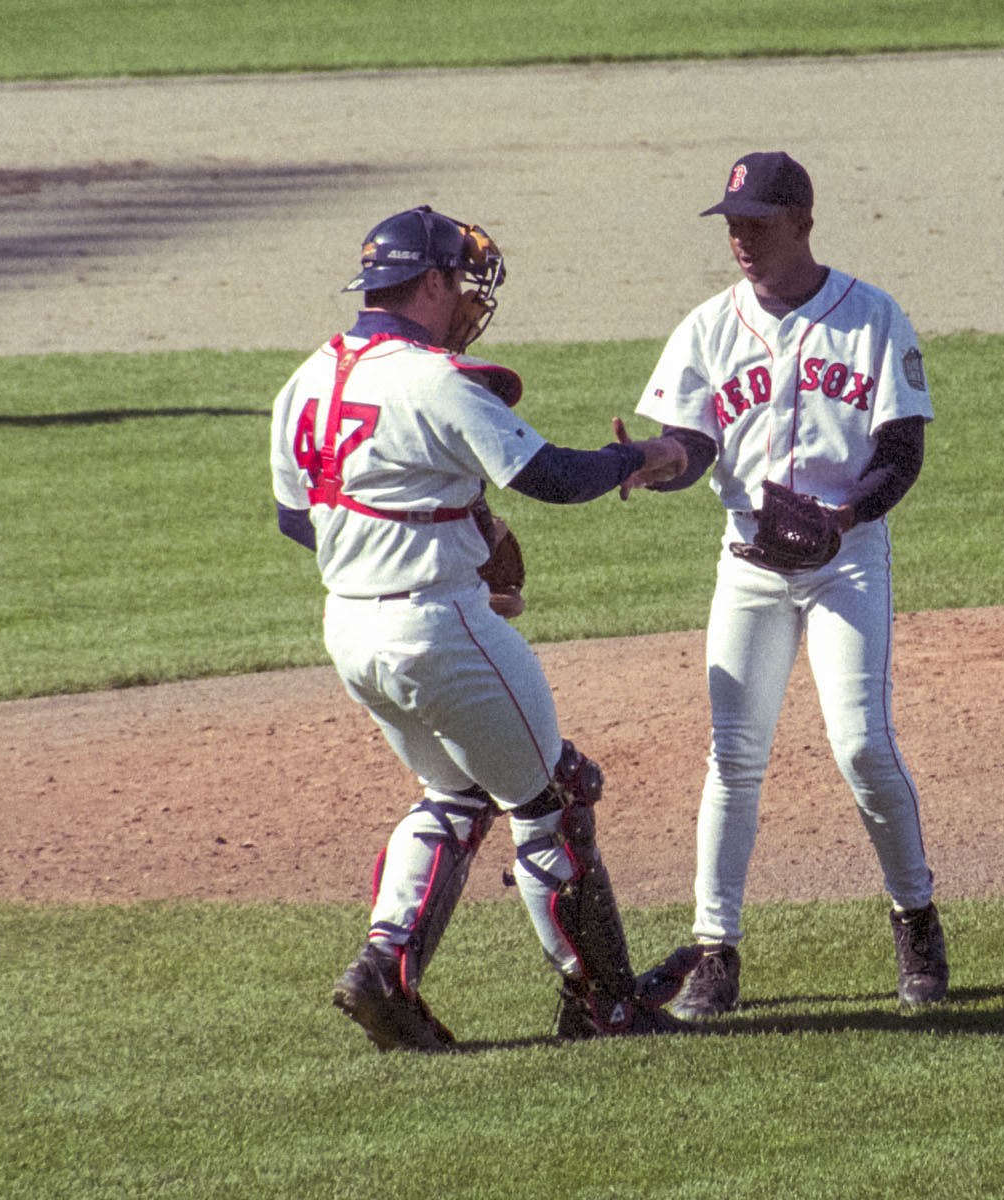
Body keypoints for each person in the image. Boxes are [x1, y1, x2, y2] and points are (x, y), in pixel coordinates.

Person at [268, 204, 696, 1051]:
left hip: (350, 630)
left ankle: (384, 970)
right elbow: (550, 475)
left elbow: (295, 519)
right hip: (440, 626)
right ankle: (605, 1006)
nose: (470, 300)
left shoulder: (305, 380)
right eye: (461, 281)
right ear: (428, 282)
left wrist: (418, 539)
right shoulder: (433, 380)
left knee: (456, 795)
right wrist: (640, 457)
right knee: (552, 800)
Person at [627, 152, 948, 1016]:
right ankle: (714, 950)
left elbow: (903, 452)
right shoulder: (708, 328)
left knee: (862, 745)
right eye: (733, 223)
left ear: (803, 222)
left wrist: (848, 514)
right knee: (733, 757)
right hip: (749, 560)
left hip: (847, 559)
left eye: (758, 223)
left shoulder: (874, 317)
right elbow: (692, 446)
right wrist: (653, 463)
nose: (741, 238)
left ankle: (914, 914)